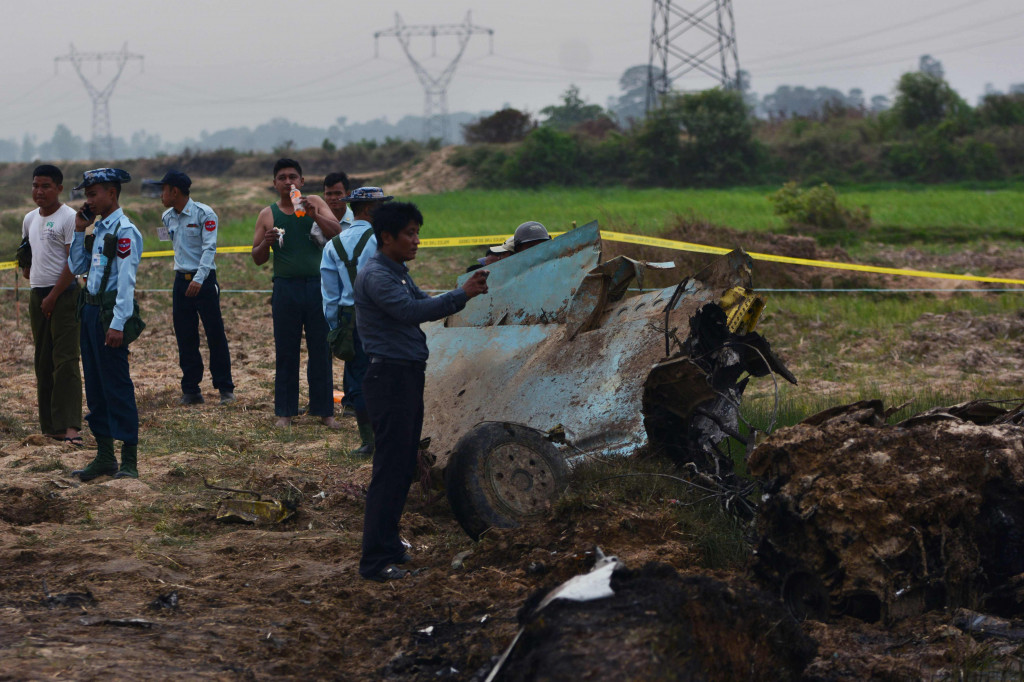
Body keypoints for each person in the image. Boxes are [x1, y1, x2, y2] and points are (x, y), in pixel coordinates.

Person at [354, 201, 490, 582]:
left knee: (401, 469)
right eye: (409, 233)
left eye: (418, 232)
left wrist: (463, 291)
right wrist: (461, 294)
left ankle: (391, 544)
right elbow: (413, 312)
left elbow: (419, 301)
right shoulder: (377, 276)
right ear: (386, 237)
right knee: (390, 470)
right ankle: (376, 561)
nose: (416, 240)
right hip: (390, 380)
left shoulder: (396, 271)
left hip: (405, 376)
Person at [251, 158, 344, 428]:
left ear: (302, 182)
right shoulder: (267, 215)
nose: (288, 181)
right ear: (274, 184)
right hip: (285, 288)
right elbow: (257, 258)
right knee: (286, 350)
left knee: (321, 349)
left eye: (293, 176)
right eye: (282, 177)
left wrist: (314, 215)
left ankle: (325, 411)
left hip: (318, 286)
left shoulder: (314, 202)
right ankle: (285, 412)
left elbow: (337, 234)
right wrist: (265, 244)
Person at [67, 168, 143, 480]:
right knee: (96, 387)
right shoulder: (97, 230)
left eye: (94, 193)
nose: (89, 199)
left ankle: (129, 461)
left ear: (112, 193)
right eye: (87, 194)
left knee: (117, 387)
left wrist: (117, 324)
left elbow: (126, 283)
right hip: (90, 312)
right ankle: (104, 456)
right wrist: (77, 231)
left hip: (109, 317)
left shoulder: (124, 231)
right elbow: (77, 266)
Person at [320, 187, 392, 452]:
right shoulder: (384, 239)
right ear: (370, 209)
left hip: (349, 318)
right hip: (381, 314)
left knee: (360, 377)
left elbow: (329, 294)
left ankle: (368, 441)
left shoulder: (333, 244)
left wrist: (335, 327)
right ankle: (388, 436)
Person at [159, 170, 235, 406]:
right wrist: (185, 278)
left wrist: (199, 279)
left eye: (164, 190)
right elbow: (171, 243)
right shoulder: (167, 217)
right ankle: (191, 389)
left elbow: (209, 248)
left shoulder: (205, 213)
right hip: (180, 281)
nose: (160, 195)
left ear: (175, 191)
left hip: (204, 280)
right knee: (185, 335)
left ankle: (225, 388)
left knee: (215, 334)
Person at [21, 165, 82, 445]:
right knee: (43, 361)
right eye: (35, 185)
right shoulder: (29, 219)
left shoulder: (69, 217)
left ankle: (69, 427)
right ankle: (50, 426)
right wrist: (31, 275)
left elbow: (73, 263)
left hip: (64, 295)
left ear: (59, 188)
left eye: (45, 186)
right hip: (38, 295)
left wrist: (53, 296)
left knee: (65, 361)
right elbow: (28, 258)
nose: (39, 191)